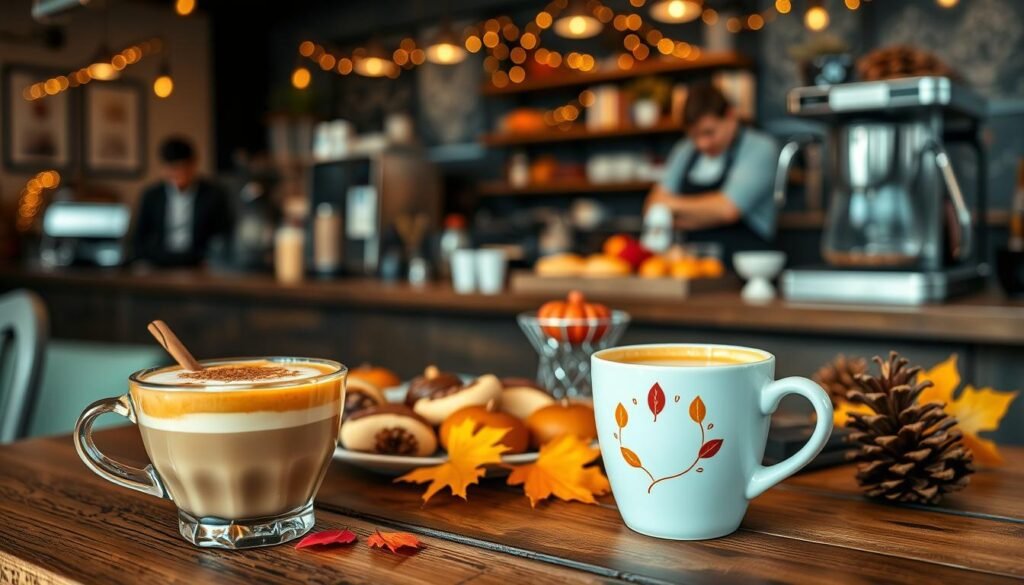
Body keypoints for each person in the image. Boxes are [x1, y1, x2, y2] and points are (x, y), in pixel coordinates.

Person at [645, 83, 780, 259]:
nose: (702, 144)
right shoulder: (684, 150)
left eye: (709, 133)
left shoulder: (761, 148)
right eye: (694, 136)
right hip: (693, 266)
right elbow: (652, 205)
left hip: (746, 267)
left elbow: (728, 210)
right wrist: (709, 211)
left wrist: (672, 206)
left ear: (731, 117)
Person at [134, 137, 233, 266]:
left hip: (199, 261)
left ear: (193, 165)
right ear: (164, 168)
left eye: (183, 167)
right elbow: (139, 237)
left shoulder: (213, 194)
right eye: (173, 168)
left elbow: (223, 234)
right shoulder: (152, 196)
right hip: (159, 261)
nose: (178, 173)